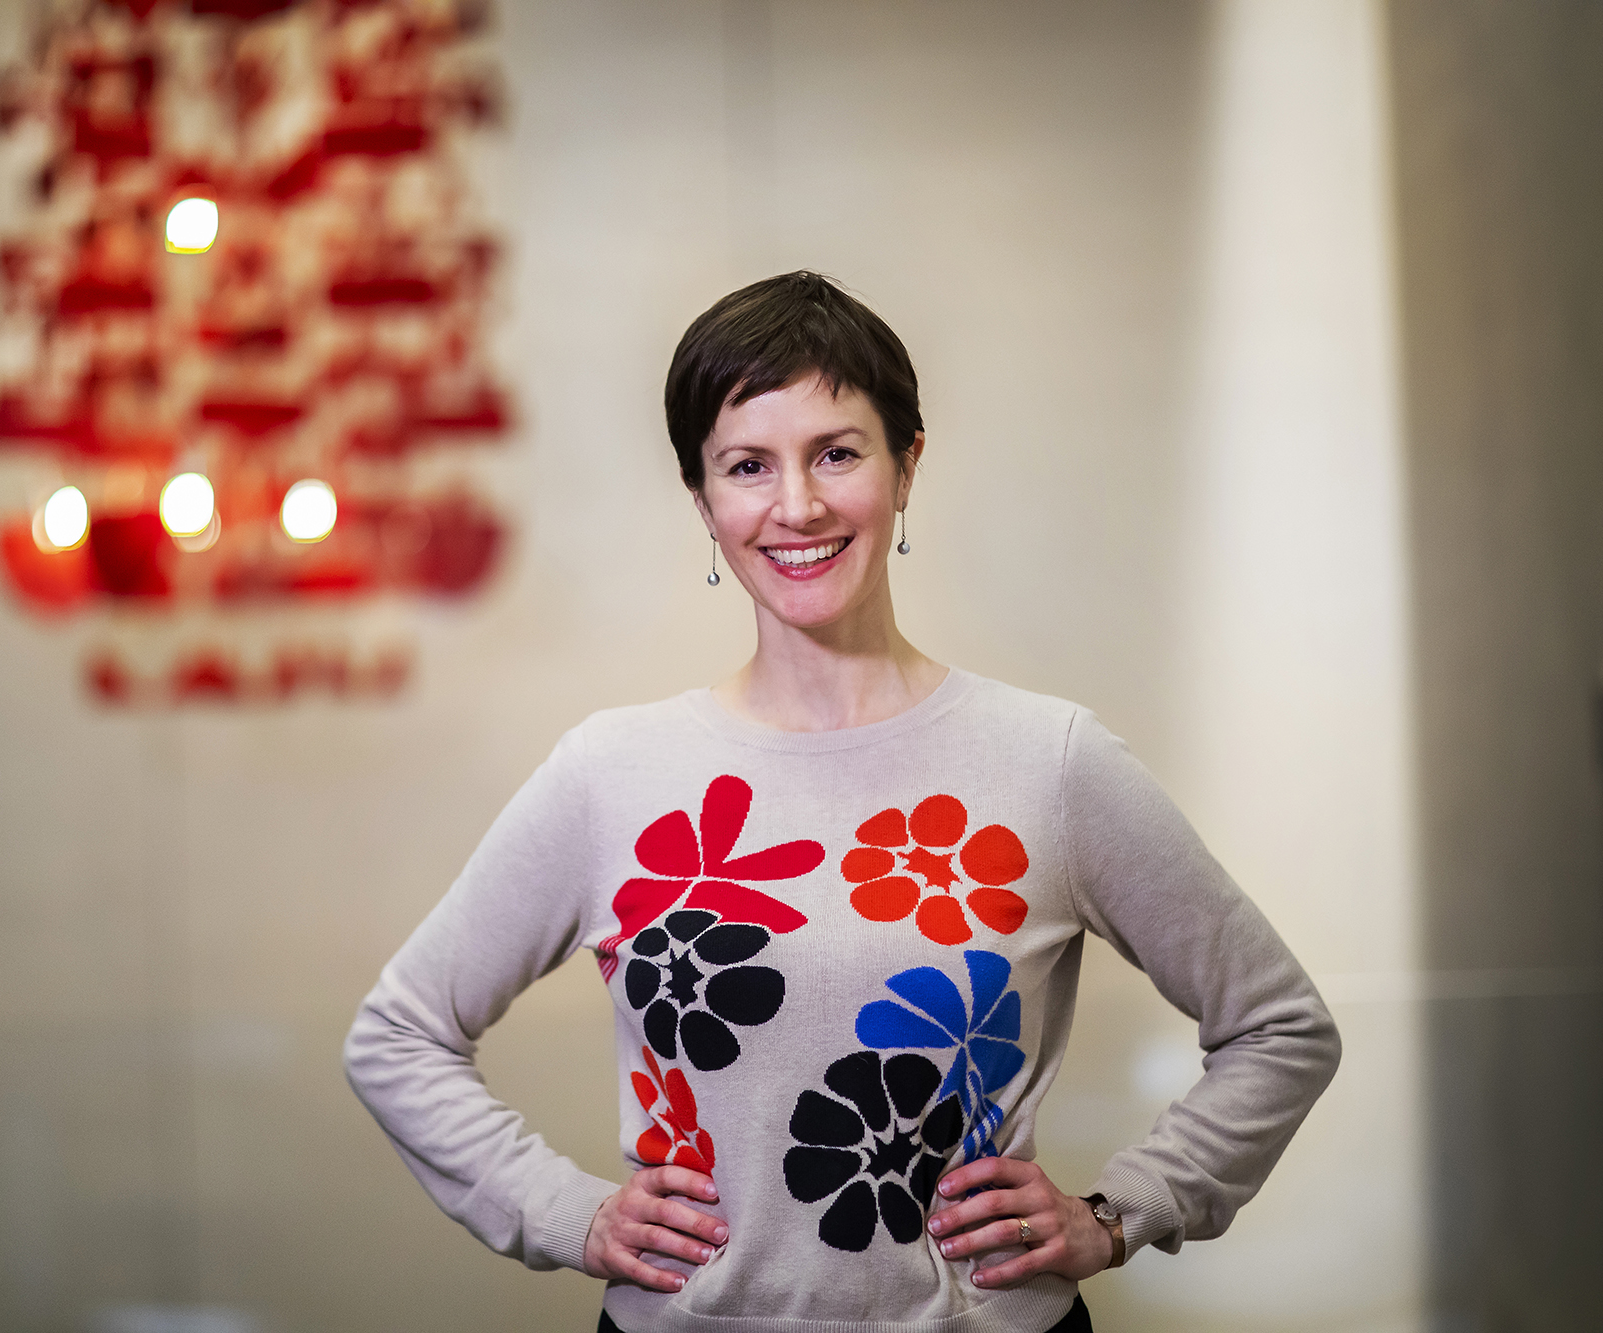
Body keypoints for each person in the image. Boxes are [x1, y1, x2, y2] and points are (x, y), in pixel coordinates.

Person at [344, 271, 1340, 1332]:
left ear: (906, 465)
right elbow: (397, 1035)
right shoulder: (610, 774)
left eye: (836, 452)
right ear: (702, 502)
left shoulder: (1048, 761)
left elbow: (1279, 1027)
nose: (797, 506)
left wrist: (1119, 1211)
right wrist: (563, 1212)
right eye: (745, 466)